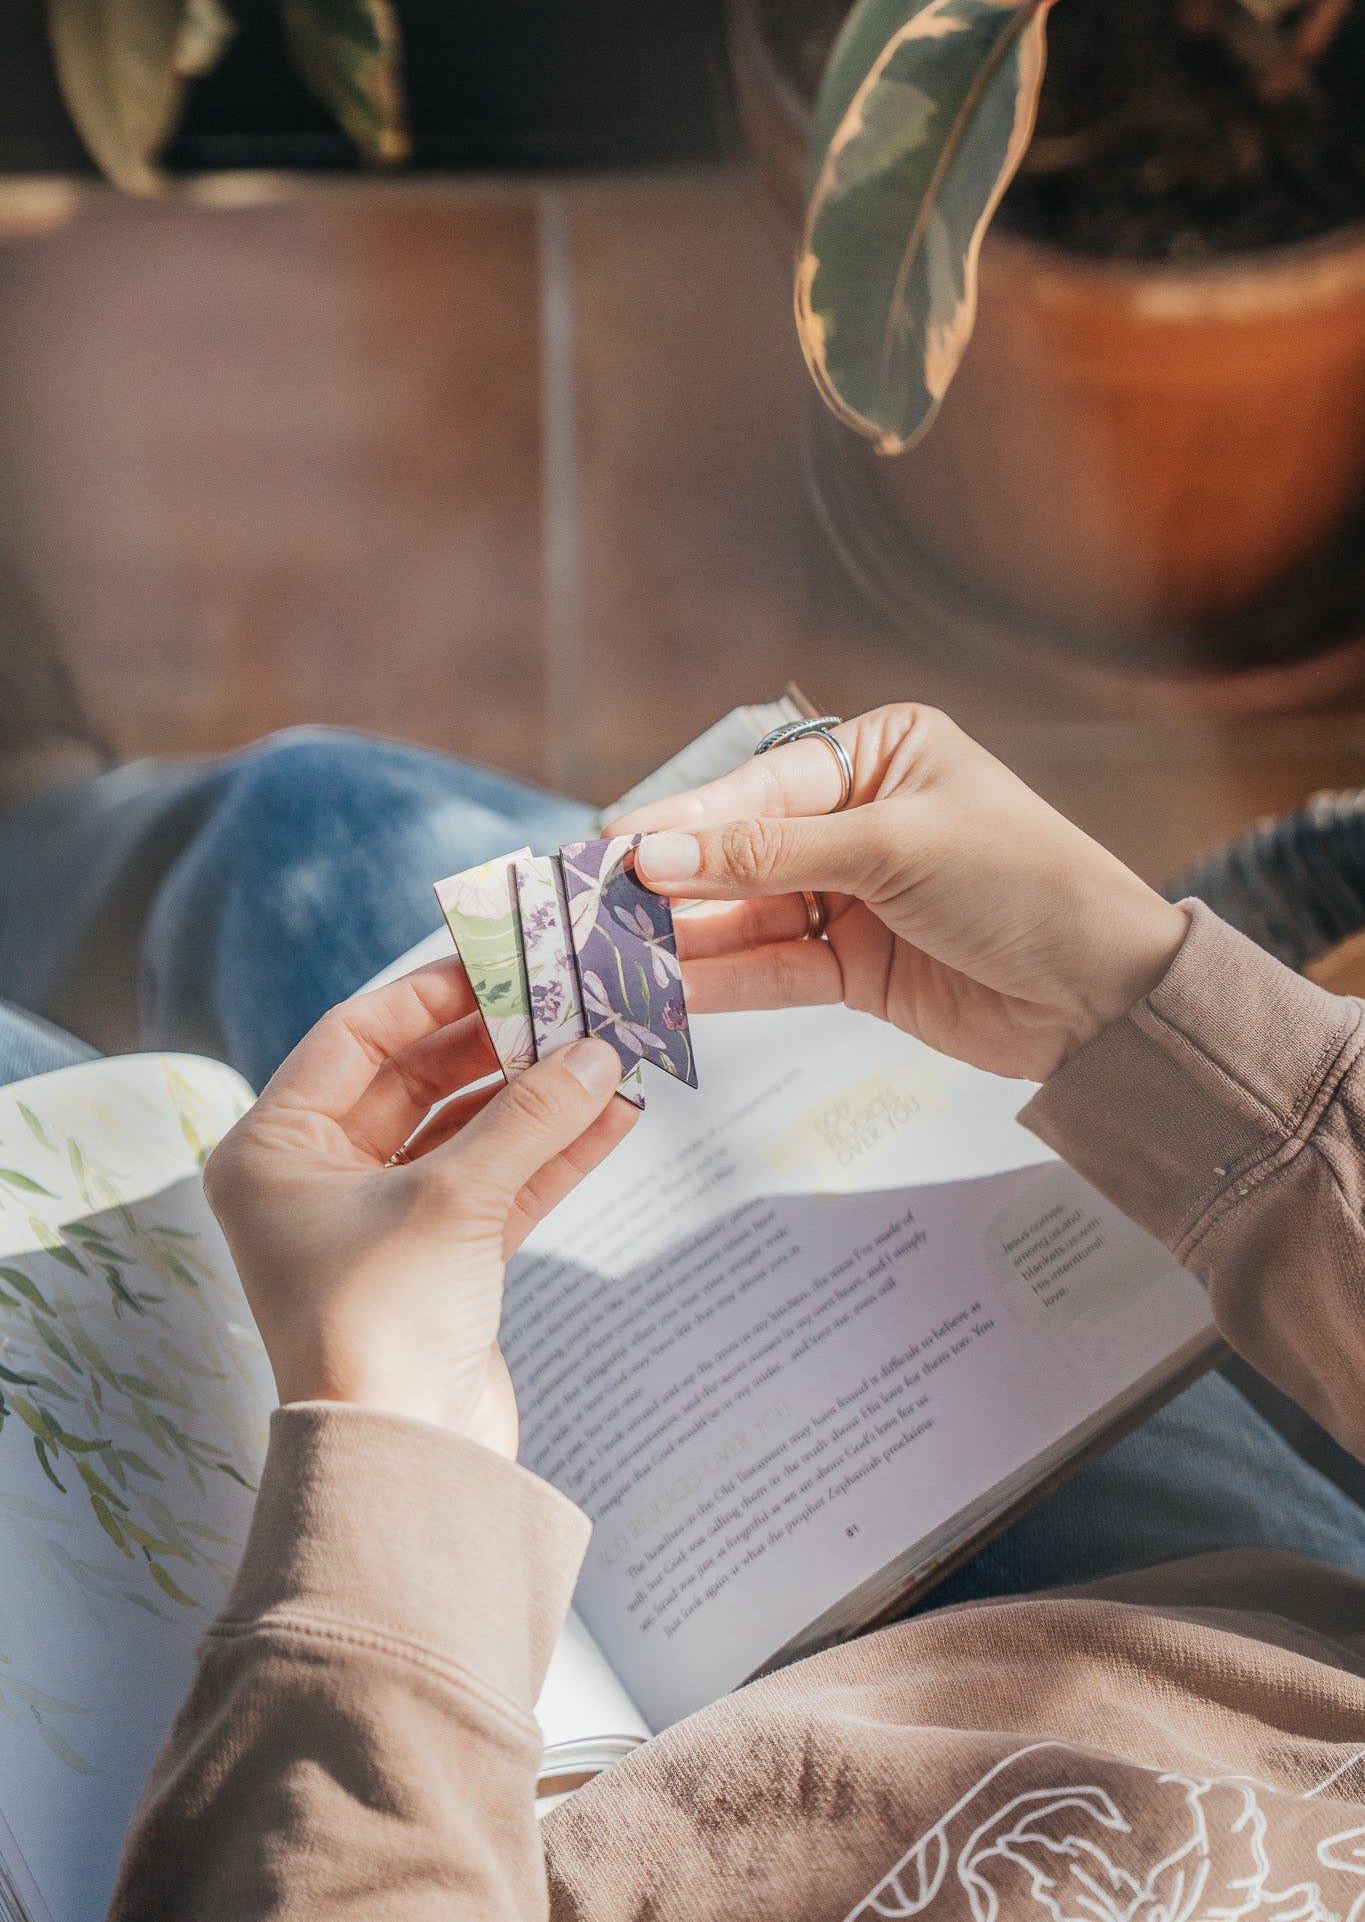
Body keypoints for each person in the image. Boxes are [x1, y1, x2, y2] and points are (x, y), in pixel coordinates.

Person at [14, 697, 1350, 1922]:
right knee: (306, 820)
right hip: (1221, 1645)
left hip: (513, 1814)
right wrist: (1170, 1015)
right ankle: (42, 818)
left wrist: (392, 1423)